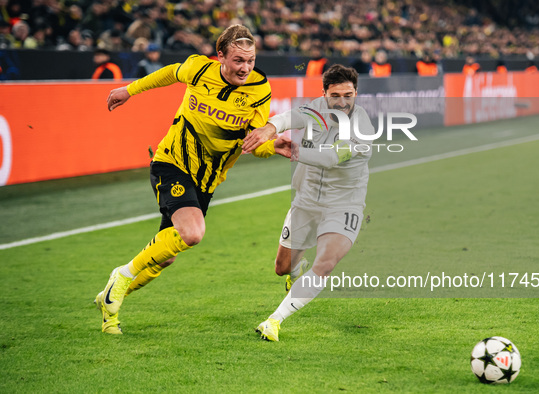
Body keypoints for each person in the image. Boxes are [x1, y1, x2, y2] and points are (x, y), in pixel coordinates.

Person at [94, 24, 291, 335]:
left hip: (207, 180)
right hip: (172, 161)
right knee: (193, 232)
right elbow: (168, 73)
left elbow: (253, 143)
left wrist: (275, 146)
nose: (245, 68)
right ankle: (121, 276)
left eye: (250, 60)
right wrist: (128, 90)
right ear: (221, 56)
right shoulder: (199, 69)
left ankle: (110, 301)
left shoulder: (259, 90)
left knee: (165, 257)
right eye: (239, 60)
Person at [250, 64, 375, 342]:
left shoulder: (362, 127)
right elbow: (291, 116)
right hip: (306, 202)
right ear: (324, 94)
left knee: (326, 262)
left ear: (357, 92)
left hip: (343, 205)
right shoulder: (316, 108)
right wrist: (270, 128)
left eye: (348, 95)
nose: (342, 102)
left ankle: (274, 321)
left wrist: (295, 150)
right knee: (282, 267)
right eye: (335, 96)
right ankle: (295, 273)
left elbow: (331, 158)